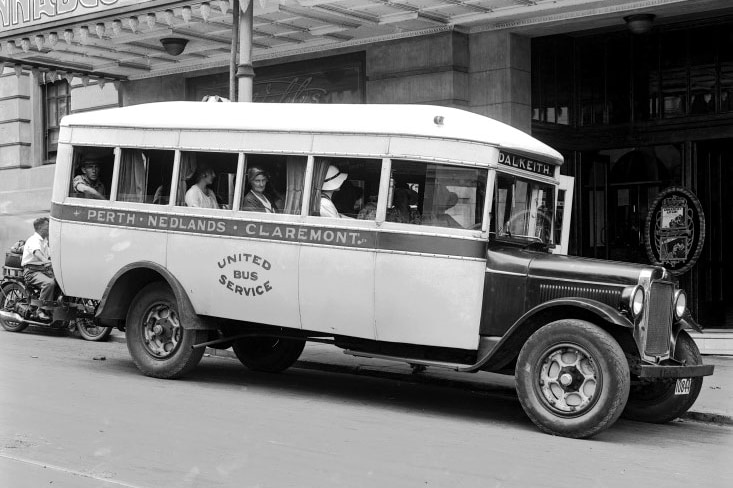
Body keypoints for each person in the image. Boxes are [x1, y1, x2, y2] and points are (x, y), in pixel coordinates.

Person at [21, 217, 55, 321]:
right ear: (40, 227)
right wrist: (45, 260)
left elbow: (51, 255)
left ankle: (52, 308)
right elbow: (37, 252)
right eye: (47, 226)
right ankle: (41, 310)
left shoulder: (45, 240)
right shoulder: (34, 240)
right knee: (49, 283)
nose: (50, 228)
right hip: (32, 271)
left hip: (43, 270)